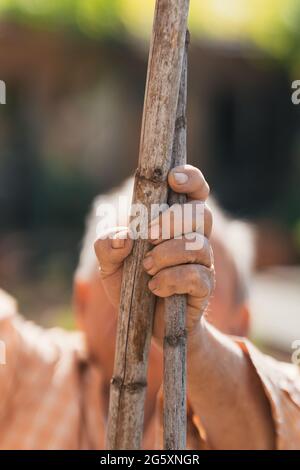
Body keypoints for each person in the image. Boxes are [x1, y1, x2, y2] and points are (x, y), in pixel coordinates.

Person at [0, 165, 299, 449]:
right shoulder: (25, 371)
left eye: (187, 267)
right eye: (129, 259)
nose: (156, 285)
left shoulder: (271, 407)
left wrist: (193, 342)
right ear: (81, 301)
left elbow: (285, 431)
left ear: (241, 323)